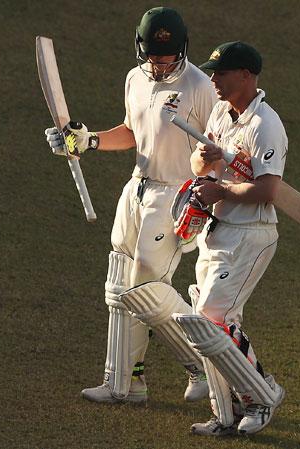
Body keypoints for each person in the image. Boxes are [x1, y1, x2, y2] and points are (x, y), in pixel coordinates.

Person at [45, 7, 217, 404]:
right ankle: (125, 383)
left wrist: (207, 195)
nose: (160, 64)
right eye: (154, 57)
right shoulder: (134, 79)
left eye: (168, 56)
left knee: (146, 288)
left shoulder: (200, 86)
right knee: (120, 284)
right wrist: (88, 141)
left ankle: (203, 365)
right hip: (137, 188)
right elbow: (132, 132)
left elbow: (217, 148)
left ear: (183, 48)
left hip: (175, 194)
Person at [172, 41, 288, 436]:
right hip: (216, 231)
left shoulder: (265, 125)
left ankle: (262, 394)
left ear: (246, 75)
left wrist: (221, 192)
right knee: (211, 324)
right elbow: (199, 162)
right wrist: (203, 164)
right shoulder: (223, 111)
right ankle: (225, 414)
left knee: (212, 320)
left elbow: (267, 190)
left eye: (221, 73)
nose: (213, 80)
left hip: (251, 235)